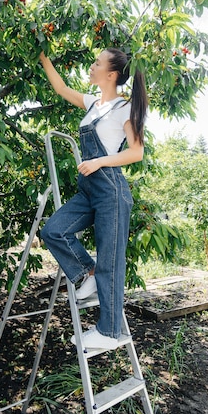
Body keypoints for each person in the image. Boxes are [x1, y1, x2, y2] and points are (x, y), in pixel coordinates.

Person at [39, 48, 148, 350]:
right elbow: (61, 89)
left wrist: (100, 162)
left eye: (97, 63)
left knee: (111, 262)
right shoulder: (94, 105)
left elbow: (136, 152)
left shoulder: (123, 108)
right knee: (53, 230)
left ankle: (109, 332)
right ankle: (86, 274)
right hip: (88, 189)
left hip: (110, 189)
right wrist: (44, 58)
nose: (92, 66)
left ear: (111, 75)